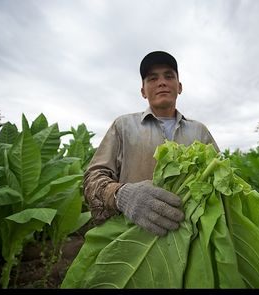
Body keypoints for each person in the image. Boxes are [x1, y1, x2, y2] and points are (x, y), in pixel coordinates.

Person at [83, 51, 219, 236]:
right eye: (152, 78)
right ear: (143, 91)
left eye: (169, 76)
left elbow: (219, 180)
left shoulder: (199, 131)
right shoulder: (123, 126)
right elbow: (93, 177)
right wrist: (122, 195)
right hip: (132, 237)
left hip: (193, 239)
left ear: (179, 87)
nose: (161, 82)